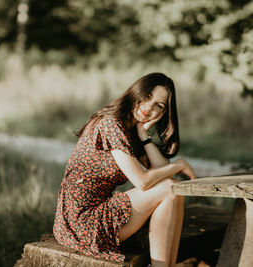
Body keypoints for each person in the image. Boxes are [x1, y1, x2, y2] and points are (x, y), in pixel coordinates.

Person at [53, 72, 196, 267]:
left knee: (172, 189)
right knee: (170, 188)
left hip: (91, 215)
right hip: (82, 222)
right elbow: (143, 181)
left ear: (164, 113)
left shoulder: (130, 131)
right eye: (147, 97)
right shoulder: (111, 123)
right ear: (136, 92)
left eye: (159, 106)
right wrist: (179, 165)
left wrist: (143, 134)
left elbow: (162, 169)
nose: (149, 108)